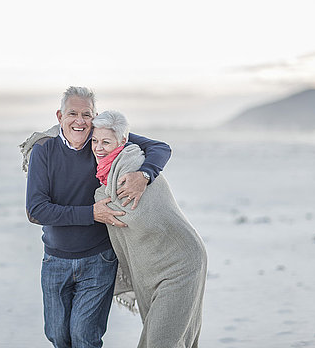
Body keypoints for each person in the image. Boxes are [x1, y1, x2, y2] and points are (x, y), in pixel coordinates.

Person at [22, 86, 172, 348]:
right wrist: (92, 213)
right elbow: (36, 210)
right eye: (72, 114)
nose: (79, 121)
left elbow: (160, 148)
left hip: (99, 259)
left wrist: (144, 174)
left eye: (86, 114)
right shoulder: (43, 150)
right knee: (58, 336)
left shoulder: (102, 139)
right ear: (60, 116)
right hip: (55, 260)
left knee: (84, 337)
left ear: (95, 116)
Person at [92, 110, 207, 348]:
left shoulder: (132, 163)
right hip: (149, 269)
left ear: (122, 141)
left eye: (105, 142)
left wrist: (143, 175)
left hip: (181, 264)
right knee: (162, 336)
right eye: (95, 141)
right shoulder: (106, 171)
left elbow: (130, 214)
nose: (98, 147)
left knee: (161, 341)